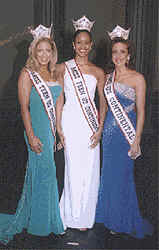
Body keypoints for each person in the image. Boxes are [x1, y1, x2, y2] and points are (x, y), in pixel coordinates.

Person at [0, 24, 64, 245]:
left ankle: (40, 218)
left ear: (52, 52)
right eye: (40, 50)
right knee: (45, 172)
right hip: (35, 129)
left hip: (49, 131)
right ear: (33, 52)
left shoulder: (55, 72)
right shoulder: (27, 74)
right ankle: (40, 223)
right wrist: (31, 134)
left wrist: (59, 130)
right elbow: (24, 107)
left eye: (48, 50)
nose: (44, 55)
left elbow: (58, 104)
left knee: (44, 173)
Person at [95, 25, 153, 238]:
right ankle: (108, 216)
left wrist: (136, 139)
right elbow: (104, 108)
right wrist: (100, 130)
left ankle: (122, 218)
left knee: (124, 176)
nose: (118, 56)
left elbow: (141, 111)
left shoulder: (138, 78)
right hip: (109, 135)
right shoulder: (108, 78)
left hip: (126, 135)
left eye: (122, 52)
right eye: (114, 52)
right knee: (108, 175)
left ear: (128, 56)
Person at [56, 16, 106, 231]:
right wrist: (58, 128)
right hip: (70, 121)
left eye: (87, 43)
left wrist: (100, 128)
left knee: (89, 169)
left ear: (91, 45)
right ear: (73, 45)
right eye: (79, 43)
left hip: (89, 125)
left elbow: (103, 103)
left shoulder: (98, 72)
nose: (83, 47)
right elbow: (59, 100)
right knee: (73, 169)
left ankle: (84, 215)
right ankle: (70, 216)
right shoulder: (62, 68)